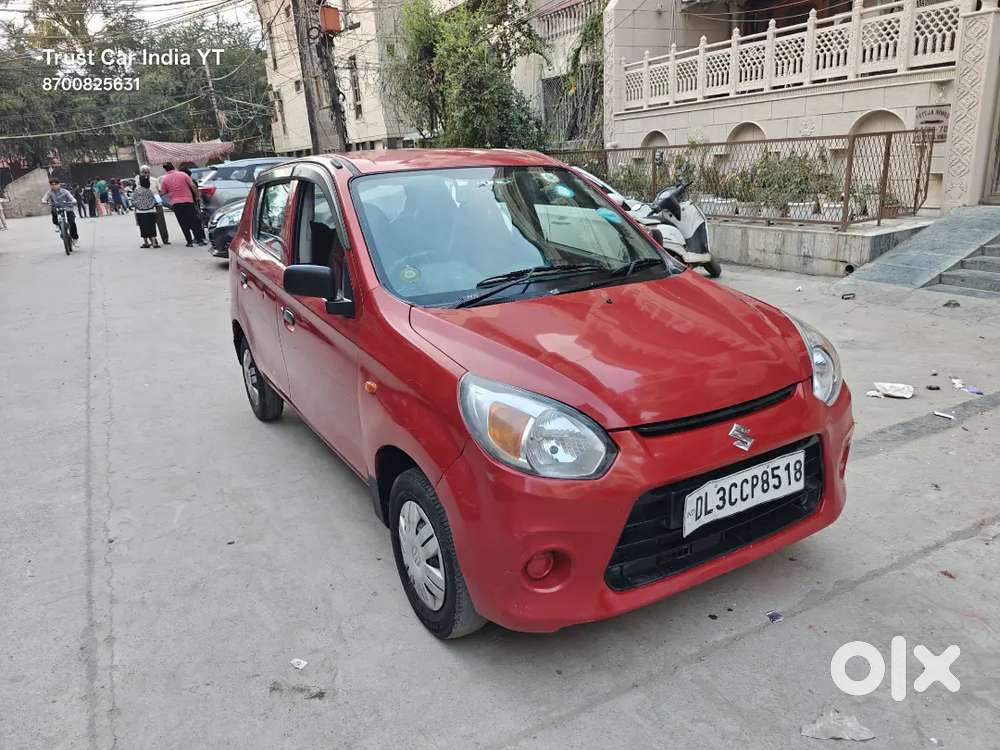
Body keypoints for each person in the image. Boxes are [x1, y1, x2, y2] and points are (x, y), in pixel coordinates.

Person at [158, 162, 206, 247]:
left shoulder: (165, 179)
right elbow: (193, 186)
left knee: (183, 223)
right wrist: (197, 196)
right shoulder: (183, 175)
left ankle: (189, 242)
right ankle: (199, 240)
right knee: (193, 221)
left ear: (165, 169)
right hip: (188, 201)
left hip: (176, 204)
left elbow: (162, 192)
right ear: (173, 166)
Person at [139, 165, 170, 245]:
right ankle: (153, 240)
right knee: (149, 223)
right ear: (141, 173)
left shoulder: (155, 180)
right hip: (146, 204)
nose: (146, 174)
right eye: (144, 172)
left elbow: (160, 191)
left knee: (161, 222)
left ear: (149, 172)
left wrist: (158, 199)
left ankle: (165, 239)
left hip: (157, 201)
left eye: (147, 172)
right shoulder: (139, 182)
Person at [41, 177, 79, 243]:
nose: (54, 186)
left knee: (72, 222)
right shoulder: (49, 192)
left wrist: (73, 200)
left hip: (67, 207)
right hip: (57, 207)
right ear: (50, 185)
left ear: (59, 184)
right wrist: (44, 201)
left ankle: (75, 238)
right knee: (53, 210)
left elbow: (71, 197)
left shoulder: (65, 191)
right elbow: (44, 198)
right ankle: (57, 225)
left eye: (56, 184)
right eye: (52, 184)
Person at [131, 174, 160, 248]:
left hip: (140, 212)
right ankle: (154, 243)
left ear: (140, 183)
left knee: (143, 227)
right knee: (152, 227)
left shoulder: (137, 191)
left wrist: (138, 206)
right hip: (151, 211)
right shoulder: (149, 191)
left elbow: (133, 201)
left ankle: (146, 242)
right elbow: (156, 200)